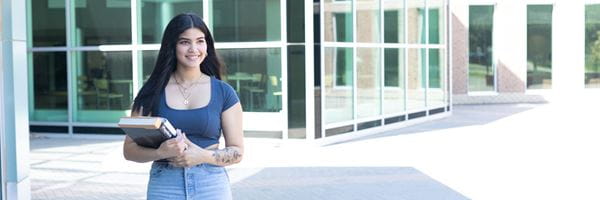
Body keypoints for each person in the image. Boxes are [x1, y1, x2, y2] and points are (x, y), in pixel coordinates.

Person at [123, 13, 243, 200]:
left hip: (211, 184)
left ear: (207, 46)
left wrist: (202, 156)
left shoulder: (224, 92)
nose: (194, 49)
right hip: (164, 185)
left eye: (200, 41)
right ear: (172, 46)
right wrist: (160, 152)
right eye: (185, 42)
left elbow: (237, 151)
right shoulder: (152, 92)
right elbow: (129, 150)